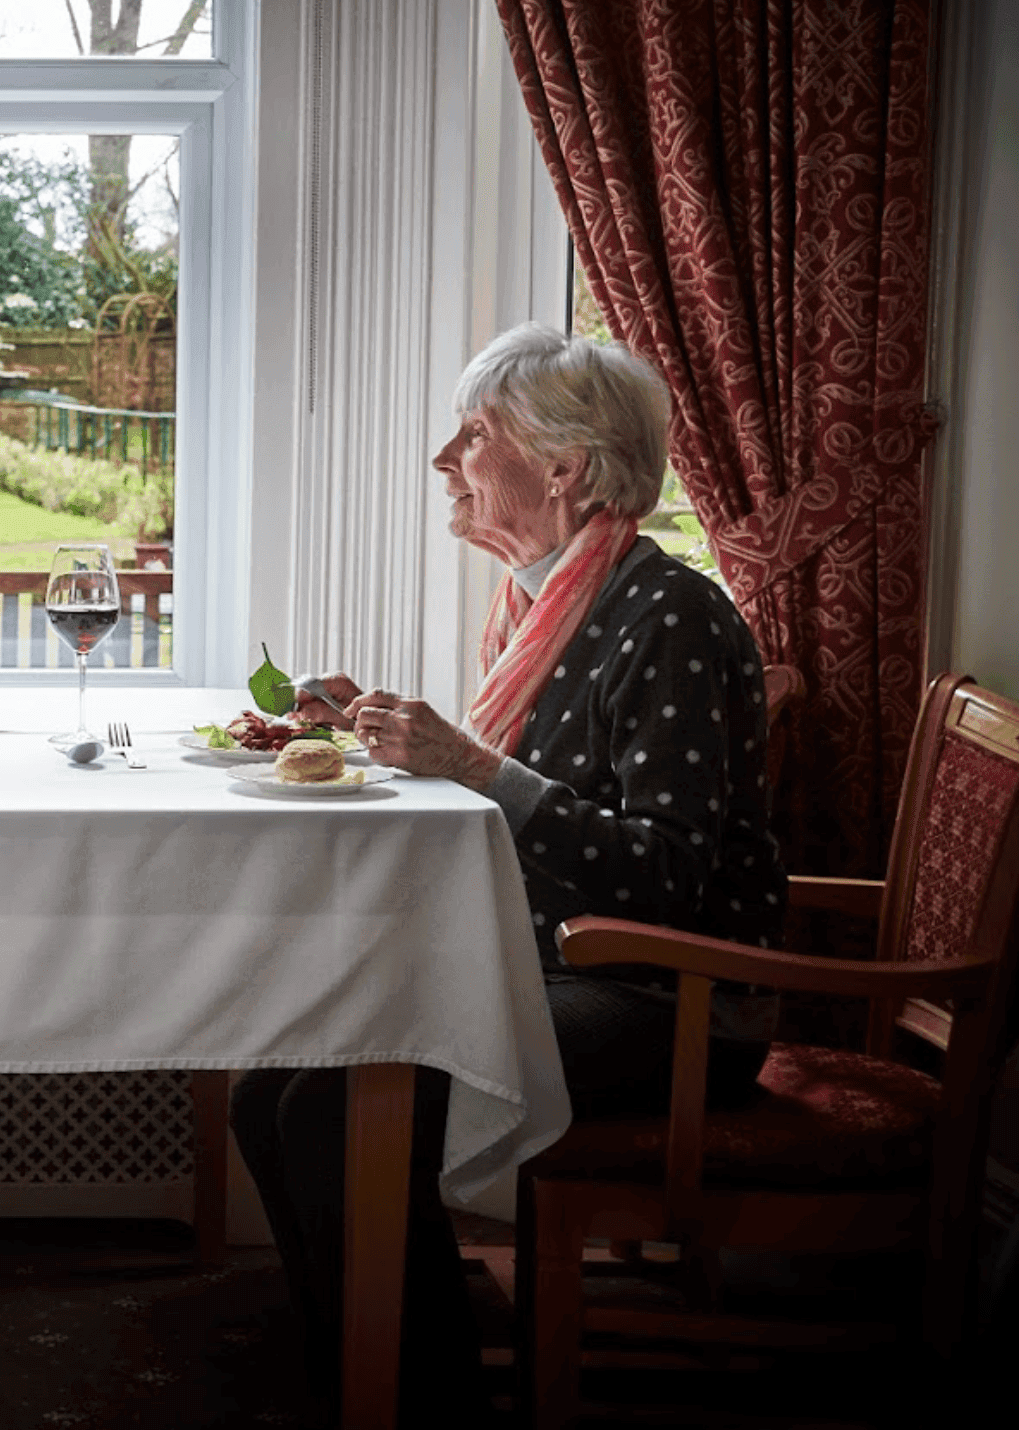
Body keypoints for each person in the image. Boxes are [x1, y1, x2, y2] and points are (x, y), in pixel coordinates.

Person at [233, 322, 788, 1419]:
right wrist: (368, 730)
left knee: (330, 1110)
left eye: (473, 434)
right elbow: (534, 796)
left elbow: (664, 874)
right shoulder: (556, 602)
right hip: (568, 966)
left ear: (564, 466)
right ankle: (353, 1364)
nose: (446, 457)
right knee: (267, 1088)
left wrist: (473, 764)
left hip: (670, 1001)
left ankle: (419, 1394)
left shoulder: (668, 614)